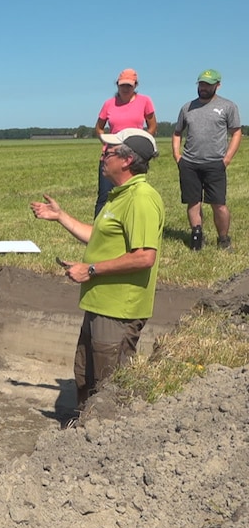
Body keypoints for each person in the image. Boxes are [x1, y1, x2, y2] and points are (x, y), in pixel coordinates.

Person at [30, 129, 164, 411]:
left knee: (108, 388)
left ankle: (104, 441)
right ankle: (82, 436)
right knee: (85, 378)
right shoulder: (119, 196)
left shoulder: (141, 198)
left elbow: (144, 257)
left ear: (127, 160)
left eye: (109, 152)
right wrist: (60, 216)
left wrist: (90, 269)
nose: (103, 156)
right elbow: (98, 237)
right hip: (100, 305)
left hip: (118, 312)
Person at [172, 69, 242, 251]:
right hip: (189, 163)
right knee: (193, 202)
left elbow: (236, 132)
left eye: (208, 85)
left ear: (217, 85)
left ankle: (224, 239)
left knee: (219, 204)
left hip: (215, 163)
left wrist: (227, 159)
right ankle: (197, 237)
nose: (203, 88)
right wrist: (177, 156)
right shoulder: (187, 107)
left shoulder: (228, 106)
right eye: (201, 84)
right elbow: (177, 132)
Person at [93, 69, 157, 217]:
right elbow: (99, 128)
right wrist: (107, 142)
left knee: (132, 194)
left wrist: (142, 143)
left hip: (133, 155)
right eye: (122, 85)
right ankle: (98, 230)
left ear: (135, 85)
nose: (125, 88)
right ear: (117, 85)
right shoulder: (109, 104)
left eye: (129, 85)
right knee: (105, 195)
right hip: (112, 153)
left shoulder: (145, 101)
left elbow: (153, 126)